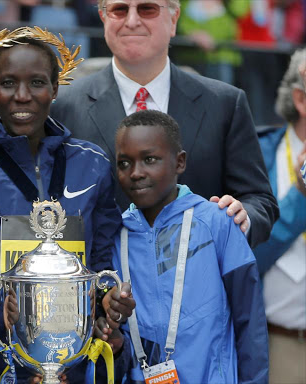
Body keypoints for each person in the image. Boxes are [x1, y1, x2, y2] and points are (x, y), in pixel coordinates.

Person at [0, 27, 133, 381]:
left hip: (78, 360)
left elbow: (101, 263)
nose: (22, 96)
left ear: (55, 89)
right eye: (8, 83)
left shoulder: (93, 164)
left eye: (37, 83)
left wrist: (108, 303)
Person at [50, 0, 279, 249]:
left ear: (174, 19)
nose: (132, 20)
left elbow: (260, 202)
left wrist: (242, 218)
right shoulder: (63, 106)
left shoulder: (225, 103)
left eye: (147, 9)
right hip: (99, 281)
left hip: (196, 281)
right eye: (120, 9)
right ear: (104, 18)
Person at [109, 110, 268, 383]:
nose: (135, 173)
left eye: (149, 160)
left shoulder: (217, 222)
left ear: (179, 162)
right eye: (124, 163)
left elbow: (250, 321)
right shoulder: (116, 234)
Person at [254, 49, 306, 384]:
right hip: (279, 346)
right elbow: (246, 258)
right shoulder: (258, 156)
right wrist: (300, 195)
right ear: (301, 99)